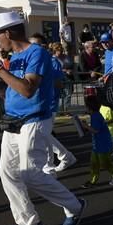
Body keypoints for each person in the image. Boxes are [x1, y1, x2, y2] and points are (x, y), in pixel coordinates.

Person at [0, 12, 85, 225]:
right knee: (7, 173)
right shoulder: (15, 57)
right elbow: (5, 92)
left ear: (8, 33)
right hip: (13, 121)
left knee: (30, 173)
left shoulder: (36, 53)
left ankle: (75, 205)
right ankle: (29, 222)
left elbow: (28, 90)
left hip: (35, 119)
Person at [28, 33, 77, 173]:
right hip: (37, 104)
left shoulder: (52, 61)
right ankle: (63, 157)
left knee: (44, 134)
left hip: (49, 103)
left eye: (37, 45)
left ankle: (51, 163)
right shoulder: (35, 60)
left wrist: (40, 81)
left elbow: (58, 83)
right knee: (43, 134)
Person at [80, 95, 113, 188]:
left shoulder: (95, 116)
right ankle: (93, 180)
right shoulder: (96, 114)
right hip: (98, 144)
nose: (85, 108)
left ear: (89, 108)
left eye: (86, 106)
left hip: (103, 145)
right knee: (94, 163)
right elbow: (101, 125)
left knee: (105, 163)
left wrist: (85, 126)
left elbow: (96, 130)